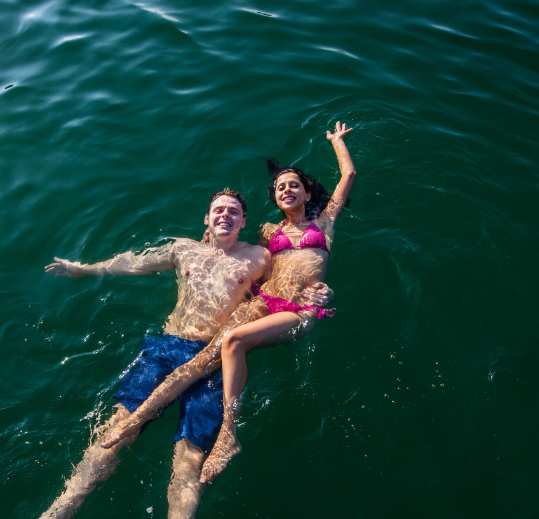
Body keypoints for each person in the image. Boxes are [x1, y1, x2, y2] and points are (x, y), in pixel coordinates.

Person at [11, 189, 332, 519]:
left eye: (234, 211)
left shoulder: (259, 258)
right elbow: (136, 263)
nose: (225, 215)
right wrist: (86, 270)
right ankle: (58, 515)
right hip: (166, 348)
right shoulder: (184, 250)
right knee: (116, 429)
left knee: (190, 459)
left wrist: (315, 296)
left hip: (213, 360)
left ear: (243, 221)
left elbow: (284, 292)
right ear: (207, 218)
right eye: (219, 209)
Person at [100, 122, 356, 484]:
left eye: (294, 185)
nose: (287, 190)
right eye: (281, 187)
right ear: (276, 196)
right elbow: (248, 265)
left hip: (300, 308)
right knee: (202, 359)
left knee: (233, 342)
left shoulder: (325, 222)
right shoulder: (269, 232)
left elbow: (349, 175)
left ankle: (228, 434)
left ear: (306, 191)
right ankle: (136, 418)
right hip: (265, 301)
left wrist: (337, 143)